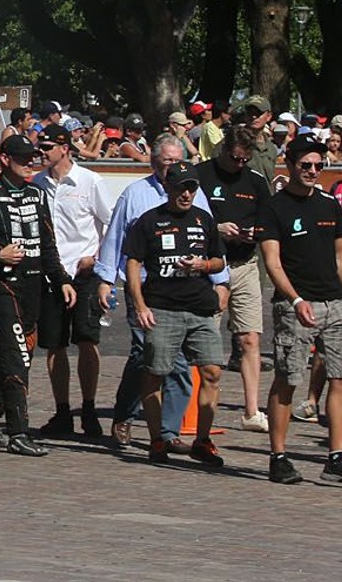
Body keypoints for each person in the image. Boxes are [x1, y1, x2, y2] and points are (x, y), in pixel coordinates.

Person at [259, 135, 342, 485]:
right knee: (288, 378)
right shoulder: (274, 207)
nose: (312, 171)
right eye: (305, 165)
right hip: (296, 305)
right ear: (291, 164)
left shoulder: (327, 203)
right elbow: (272, 262)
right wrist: (295, 300)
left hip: (336, 303)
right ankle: (278, 455)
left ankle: (337, 457)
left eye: (318, 165)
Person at [96, 134, 218, 452]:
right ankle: (125, 415)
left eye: (179, 161)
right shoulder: (135, 195)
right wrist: (106, 279)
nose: (173, 168)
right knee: (145, 358)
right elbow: (116, 240)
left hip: (190, 294)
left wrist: (221, 282)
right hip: (148, 292)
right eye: (167, 162)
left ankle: (168, 431)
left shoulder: (196, 196)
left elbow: (209, 239)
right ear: (153, 162)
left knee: (179, 366)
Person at [0, 132, 75, 456]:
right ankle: (18, 431)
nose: (31, 164)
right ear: (4, 159)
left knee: (21, 354)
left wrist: (62, 279)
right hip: (1, 287)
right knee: (17, 360)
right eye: (23, 159)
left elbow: (48, 244)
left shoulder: (38, 196)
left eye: (33, 158)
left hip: (33, 287)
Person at [123, 161, 229, 467]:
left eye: (192, 187)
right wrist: (140, 305)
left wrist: (204, 267)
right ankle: (158, 438)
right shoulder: (149, 221)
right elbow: (133, 263)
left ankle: (203, 440)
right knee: (155, 373)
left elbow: (219, 261)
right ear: (167, 187)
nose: (187, 193)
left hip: (200, 308)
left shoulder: (204, 219)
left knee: (212, 371)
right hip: (162, 307)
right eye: (181, 187)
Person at [33, 126, 113, 437]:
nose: (42, 151)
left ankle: (89, 409)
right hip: (53, 273)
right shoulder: (38, 184)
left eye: (48, 146)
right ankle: (62, 410)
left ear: (65, 148)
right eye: (41, 145)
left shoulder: (90, 181)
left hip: (85, 274)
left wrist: (95, 257)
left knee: (87, 339)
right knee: (54, 344)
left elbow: (111, 224)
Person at [197, 124, 272, 432]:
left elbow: (269, 222)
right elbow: (188, 217)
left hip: (245, 264)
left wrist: (256, 232)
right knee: (206, 337)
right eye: (235, 159)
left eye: (245, 159)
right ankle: (199, 406)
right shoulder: (201, 175)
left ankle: (252, 410)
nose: (239, 165)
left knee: (250, 337)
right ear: (224, 150)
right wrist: (218, 228)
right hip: (211, 266)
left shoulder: (255, 181)